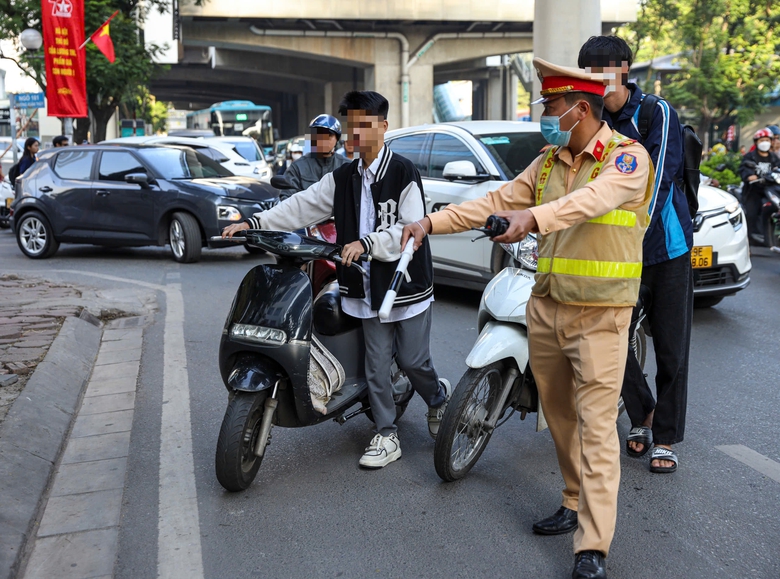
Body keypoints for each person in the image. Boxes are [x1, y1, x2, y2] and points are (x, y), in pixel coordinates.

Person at [401, 59, 653, 579]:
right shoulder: (547, 163)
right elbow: (495, 201)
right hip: (546, 306)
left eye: (552, 106)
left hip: (601, 315)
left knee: (597, 428)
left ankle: (592, 547)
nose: (546, 114)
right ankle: (572, 499)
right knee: (559, 418)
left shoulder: (627, 159)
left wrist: (532, 218)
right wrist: (430, 223)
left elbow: (591, 201)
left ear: (580, 109)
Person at [223, 91, 451, 470]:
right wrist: (254, 223)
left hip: (404, 284)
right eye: (351, 125)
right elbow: (302, 204)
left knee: (413, 360)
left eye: (363, 125)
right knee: (375, 365)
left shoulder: (403, 172)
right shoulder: (343, 176)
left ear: (382, 126)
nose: (355, 133)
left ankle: (438, 399)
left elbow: (409, 229)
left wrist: (367, 243)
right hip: (363, 285)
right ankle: (386, 433)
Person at [578, 35, 694, 475]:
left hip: (665, 249)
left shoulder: (655, 112)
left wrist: (634, 232)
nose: (596, 78)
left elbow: (657, 180)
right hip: (613, 253)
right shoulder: (590, 119)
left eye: (604, 69)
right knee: (609, 339)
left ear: (624, 69)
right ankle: (642, 410)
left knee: (671, 347)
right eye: (589, 71)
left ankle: (665, 436)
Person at [284, 114, 349, 192]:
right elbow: (287, 196)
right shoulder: (297, 167)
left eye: (329, 135)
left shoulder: (347, 167)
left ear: (337, 139)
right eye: (319, 134)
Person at [739, 128, 780, 242]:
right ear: (756, 142)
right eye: (762, 140)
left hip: (771, 189)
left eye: (767, 140)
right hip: (753, 191)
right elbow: (744, 169)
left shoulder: (773, 157)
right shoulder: (750, 157)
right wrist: (749, 176)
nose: (765, 142)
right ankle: (749, 239)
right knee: (751, 213)